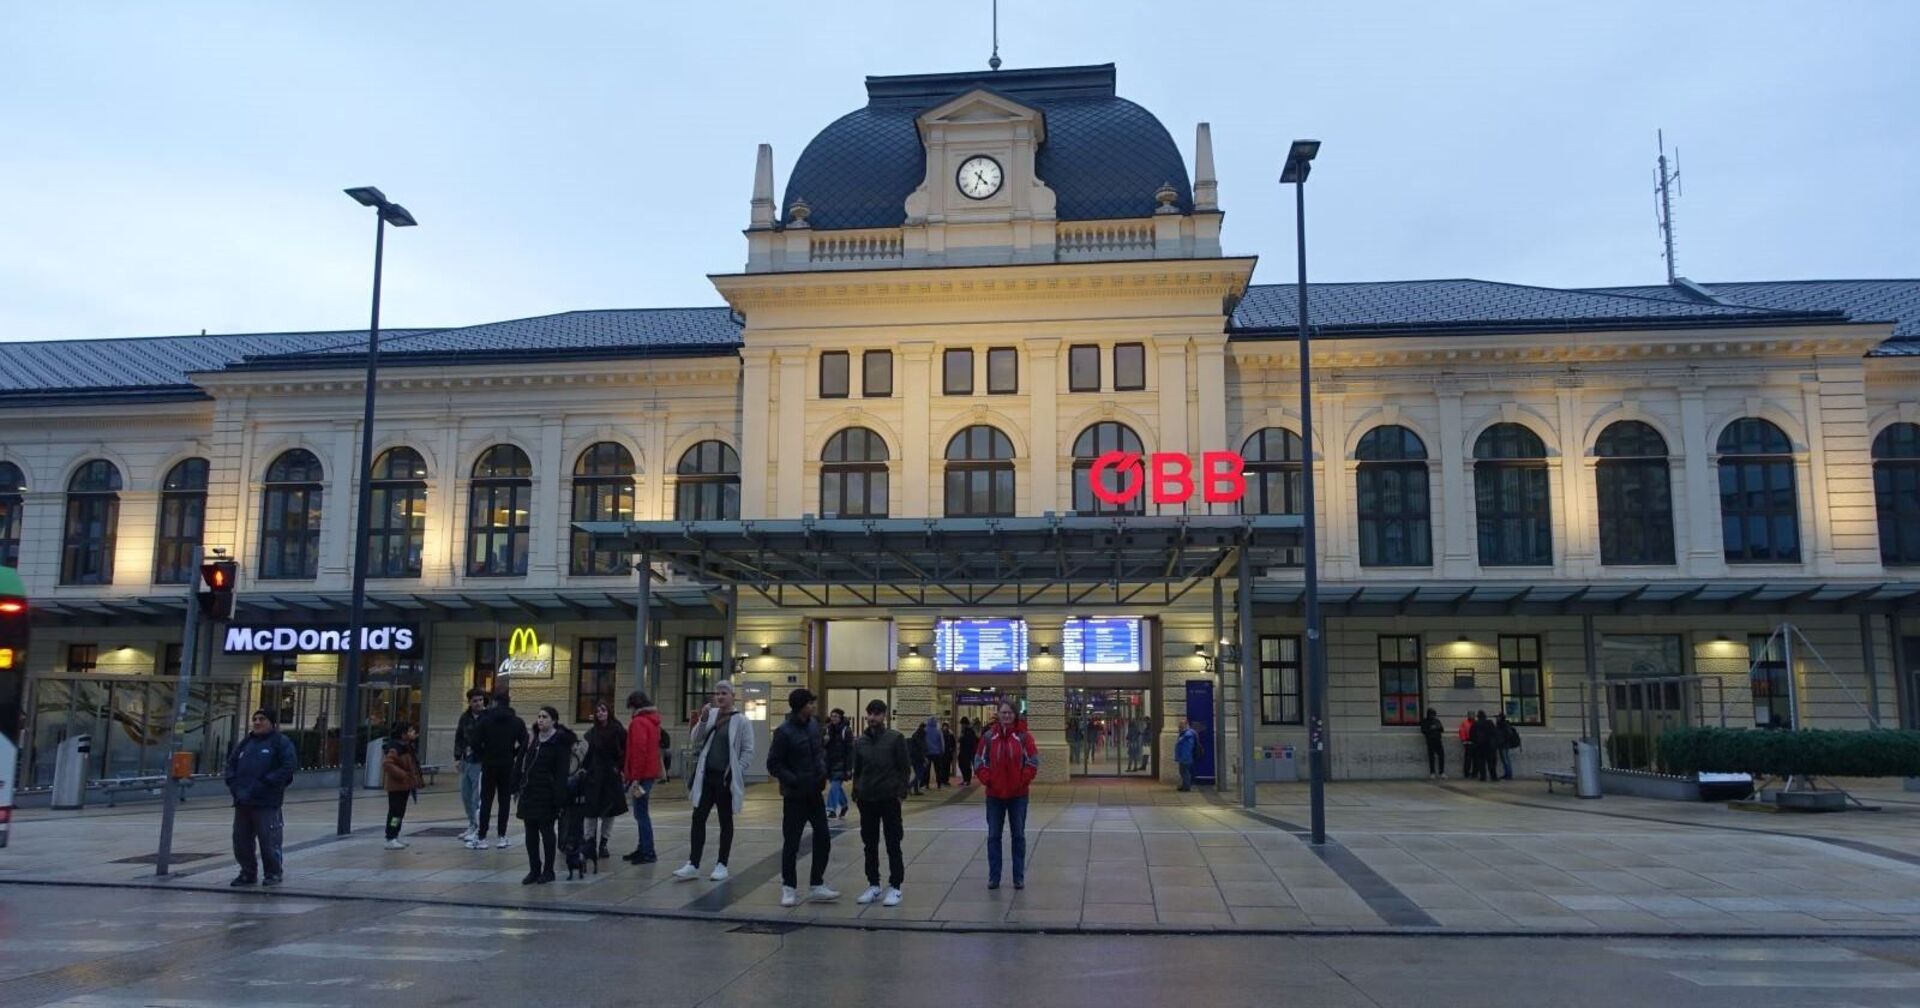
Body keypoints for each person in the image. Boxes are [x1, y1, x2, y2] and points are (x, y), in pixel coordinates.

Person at [673, 680, 753, 882]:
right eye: (717, 693)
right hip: (707, 775)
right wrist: (702, 719)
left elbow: (748, 751)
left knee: (725, 820)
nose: (720, 697)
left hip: (725, 779)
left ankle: (721, 863)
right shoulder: (712, 716)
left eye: (724, 693)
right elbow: (695, 739)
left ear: (733, 696)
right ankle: (693, 863)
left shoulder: (741, 721)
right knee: (698, 818)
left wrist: (735, 771)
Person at [767, 688, 838, 906]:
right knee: (792, 842)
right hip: (795, 795)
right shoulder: (784, 732)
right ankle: (789, 887)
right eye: (810, 703)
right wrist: (794, 779)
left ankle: (817, 883)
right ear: (801, 706)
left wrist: (822, 771)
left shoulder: (814, 726)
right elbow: (773, 764)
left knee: (823, 837)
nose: (814, 706)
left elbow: (818, 754)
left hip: (814, 793)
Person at [224, 709, 296, 886]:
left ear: (271, 722)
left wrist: (267, 783)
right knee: (241, 841)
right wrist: (234, 785)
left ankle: (273, 872)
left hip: (266, 802)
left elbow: (288, 766)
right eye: (254, 719)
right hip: (243, 801)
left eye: (261, 719)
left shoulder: (280, 742)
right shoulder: (245, 743)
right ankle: (247, 873)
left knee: (269, 840)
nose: (257, 722)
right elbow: (231, 765)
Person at [850, 698, 910, 907]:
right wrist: (856, 791)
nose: (873, 718)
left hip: (889, 799)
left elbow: (904, 768)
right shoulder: (860, 742)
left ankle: (895, 886)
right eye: (870, 713)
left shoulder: (895, 739)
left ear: (884, 716)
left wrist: (901, 793)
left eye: (877, 713)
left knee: (893, 842)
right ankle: (873, 884)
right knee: (869, 843)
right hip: (867, 799)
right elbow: (857, 770)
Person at [974, 700, 1038, 891]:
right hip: (994, 796)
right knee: (994, 836)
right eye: (1003, 712)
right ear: (998, 714)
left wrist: (1022, 780)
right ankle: (994, 877)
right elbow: (979, 761)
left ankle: (1018, 878)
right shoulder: (988, 737)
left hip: (1018, 796)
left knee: (1018, 836)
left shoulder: (1024, 737)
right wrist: (989, 780)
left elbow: (1033, 762)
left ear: (1015, 714)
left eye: (1010, 712)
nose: (1007, 716)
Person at [516, 706, 576, 884]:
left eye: (545, 717)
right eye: (539, 716)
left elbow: (561, 772)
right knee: (530, 833)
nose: (540, 720)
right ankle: (534, 869)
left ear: (554, 721)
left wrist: (559, 798)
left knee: (547, 832)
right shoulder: (533, 739)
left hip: (548, 794)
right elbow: (523, 763)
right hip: (530, 792)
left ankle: (548, 870)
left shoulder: (559, 742)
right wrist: (517, 785)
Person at [468, 690, 527, 850]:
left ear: (494, 702)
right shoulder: (516, 722)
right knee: (504, 801)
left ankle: (482, 836)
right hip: (507, 764)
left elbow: (474, 742)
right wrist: (514, 754)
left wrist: (483, 755)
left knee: (486, 800)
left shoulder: (485, 720)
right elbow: (524, 742)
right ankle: (502, 836)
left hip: (489, 764)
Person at [580, 700, 628, 861]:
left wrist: (619, 768)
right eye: (598, 711)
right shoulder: (591, 733)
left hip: (610, 776)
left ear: (608, 712)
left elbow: (625, 751)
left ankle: (603, 843)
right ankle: (589, 842)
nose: (600, 713)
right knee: (591, 811)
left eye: (603, 710)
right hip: (594, 776)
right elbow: (586, 755)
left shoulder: (617, 730)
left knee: (609, 811)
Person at [622, 690, 663, 864]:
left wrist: (635, 777)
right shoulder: (652, 721)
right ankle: (643, 848)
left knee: (641, 813)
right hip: (650, 772)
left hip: (642, 775)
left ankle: (647, 851)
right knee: (641, 811)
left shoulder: (638, 722)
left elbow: (639, 751)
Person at [381, 721, 424, 849]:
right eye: (410, 731)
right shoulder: (396, 748)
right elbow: (387, 764)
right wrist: (403, 775)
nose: (413, 733)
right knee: (395, 813)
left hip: (404, 786)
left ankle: (395, 835)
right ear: (403, 734)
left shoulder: (407, 746)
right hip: (397, 786)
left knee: (399, 812)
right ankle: (390, 837)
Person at [454, 689, 488, 843]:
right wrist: (457, 757)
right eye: (475, 701)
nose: (478, 703)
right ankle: (471, 823)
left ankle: (477, 825)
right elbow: (459, 737)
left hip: (480, 760)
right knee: (465, 793)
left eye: (480, 700)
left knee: (476, 795)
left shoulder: (488, 717)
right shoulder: (465, 717)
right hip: (466, 760)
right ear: (469, 702)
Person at [823, 707, 854, 819]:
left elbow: (850, 750)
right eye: (832, 716)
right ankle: (844, 805)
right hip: (830, 763)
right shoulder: (827, 729)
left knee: (835, 785)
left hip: (842, 763)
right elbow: (823, 746)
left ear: (841, 718)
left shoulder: (846, 730)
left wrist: (849, 768)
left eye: (836, 716)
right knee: (836, 786)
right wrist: (825, 741)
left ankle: (831, 809)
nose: (833, 718)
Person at [1471, 710, 1501, 783]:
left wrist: (1475, 743)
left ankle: (1483, 776)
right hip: (1490, 746)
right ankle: (1493, 776)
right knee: (1491, 762)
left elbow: (1472, 735)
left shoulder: (1475, 724)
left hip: (1480, 746)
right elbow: (1495, 733)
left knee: (1481, 762)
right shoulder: (1489, 723)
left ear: (1478, 717)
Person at [1173, 717, 1199, 792]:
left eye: (1181, 724)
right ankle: (1184, 785)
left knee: (1185, 772)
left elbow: (1186, 747)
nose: (1180, 726)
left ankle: (1186, 787)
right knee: (1183, 771)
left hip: (1186, 756)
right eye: (1179, 724)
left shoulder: (1188, 734)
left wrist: (1183, 756)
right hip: (1184, 756)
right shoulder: (1185, 733)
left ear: (1186, 724)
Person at [1420, 708, 1446, 779]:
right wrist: (1431, 728)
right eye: (1432, 714)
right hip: (1430, 741)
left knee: (1441, 756)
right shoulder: (1425, 721)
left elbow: (1442, 729)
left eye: (1434, 715)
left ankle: (1441, 772)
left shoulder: (1437, 721)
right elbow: (1423, 730)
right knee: (1431, 757)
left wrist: (1436, 728)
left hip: (1438, 740)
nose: (1433, 716)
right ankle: (1432, 772)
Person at [923, 715, 947, 789]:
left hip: (927, 753)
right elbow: (942, 742)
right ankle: (939, 784)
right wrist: (942, 750)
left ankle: (926, 784)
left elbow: (922, 741)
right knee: (938, 769)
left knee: (926, 770)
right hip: (937, 753)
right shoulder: (938, 731)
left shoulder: (925, 731)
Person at [1496, 712, 1521, 780]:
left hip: (1504, 744)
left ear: (1501, 718)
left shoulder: (1504, 725)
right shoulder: (1501, 725)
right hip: (1502, 744)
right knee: (1505, 760)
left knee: (1506, 760)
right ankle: (1507, 773)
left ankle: (1508, 774)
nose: (1496, 718)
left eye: (1498, 717)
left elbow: (1508, 734)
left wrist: (1503, 741)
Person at [907, 722, 928, 796]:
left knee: (917, 774)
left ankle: (916, 790)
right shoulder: (921, 735)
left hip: (913, 757)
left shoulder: (915, 734)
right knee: (919, 774)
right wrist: (924, 758)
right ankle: (909, 786)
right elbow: (921, 748)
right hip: (919, 758)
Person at [956, 717, 978, 786]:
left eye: (962, 724)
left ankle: (967, 780)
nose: (961, 726)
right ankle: (965, 779)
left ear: (965, 724)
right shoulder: (964, 731)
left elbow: (971, 741)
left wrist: (962, 739)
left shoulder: (969, 731)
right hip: (963, 750)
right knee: (961, 765)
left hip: (967, 751)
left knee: (966, 766)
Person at [1457, 712, 1478, 783]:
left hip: (1475, 742)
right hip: (1468, 742)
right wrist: (1464, 740)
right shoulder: (1465, 723)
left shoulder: (1476, 723)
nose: (1472, 717)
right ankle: (1467, 773)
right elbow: (1462, 731)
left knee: (1476, 759)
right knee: (1468, 759)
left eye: (1473, 715)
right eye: (1470, 715)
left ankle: (1475, 773)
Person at [938, 721, 957, 788]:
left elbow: (953, 743)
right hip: (943, 754)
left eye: (946, 726)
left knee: (947, 767)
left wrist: (952, 749)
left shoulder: (950, 734)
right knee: (943, 768)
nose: (945, 727)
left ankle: (945, 780)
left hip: (948, 754)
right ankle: (943, 780)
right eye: (944, 726)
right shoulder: (940, 733)